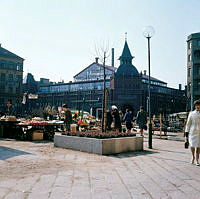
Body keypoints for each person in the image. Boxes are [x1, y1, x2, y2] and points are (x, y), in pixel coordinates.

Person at [185, 100, 200, 166]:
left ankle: (197, 160)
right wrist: (186, 132)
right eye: (197, 105)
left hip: (199, 132)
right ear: (195, 106)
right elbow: (188, 124)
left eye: (199, 105)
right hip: (192, 132)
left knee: (198, 147)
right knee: (192, 145)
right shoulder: (191, 113)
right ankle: (193, 156)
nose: (198, 106)